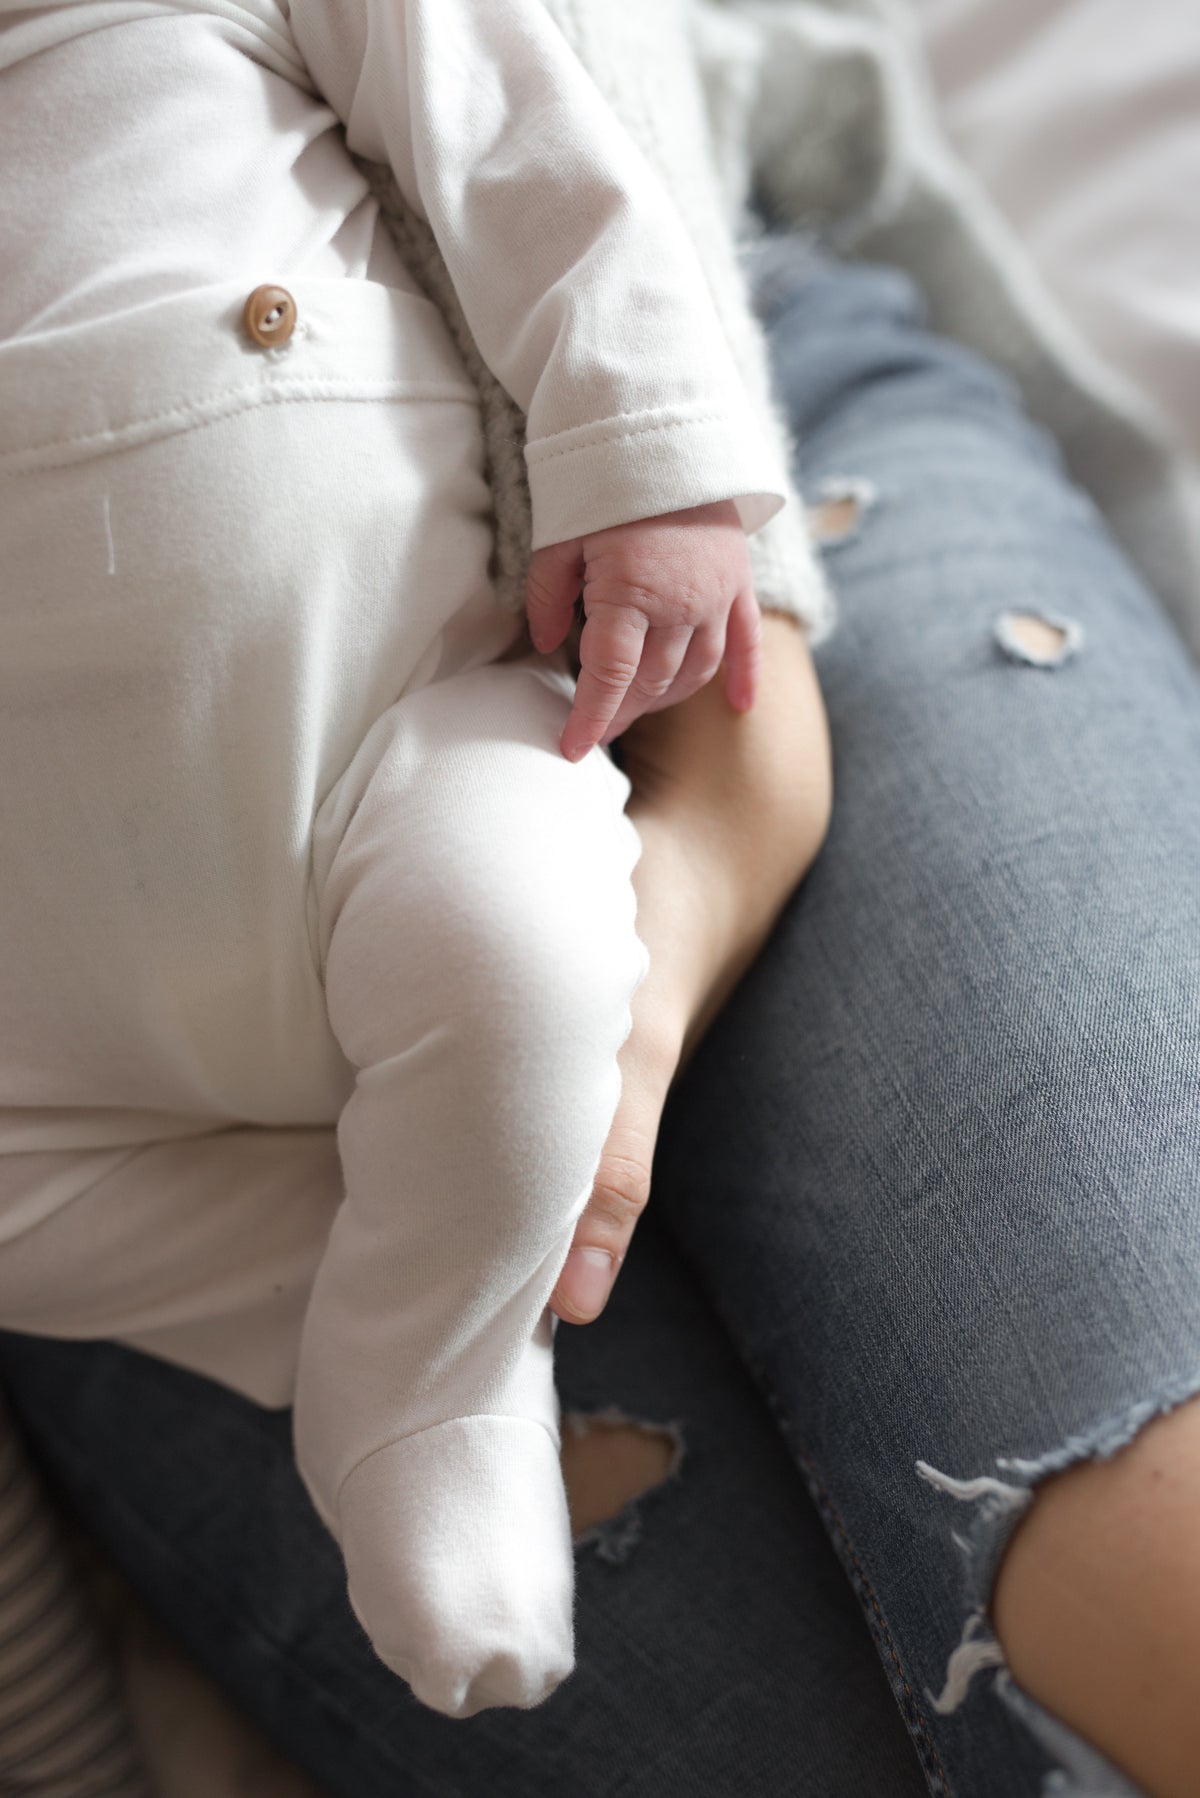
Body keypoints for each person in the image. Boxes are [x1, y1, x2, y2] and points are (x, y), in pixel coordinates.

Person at [0, 0, 819, 1726]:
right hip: (39, 1007)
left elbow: (519, 117)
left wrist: (650, 446)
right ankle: (405, 1305)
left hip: (392, 767)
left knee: (518, 950)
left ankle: (422, 1368)